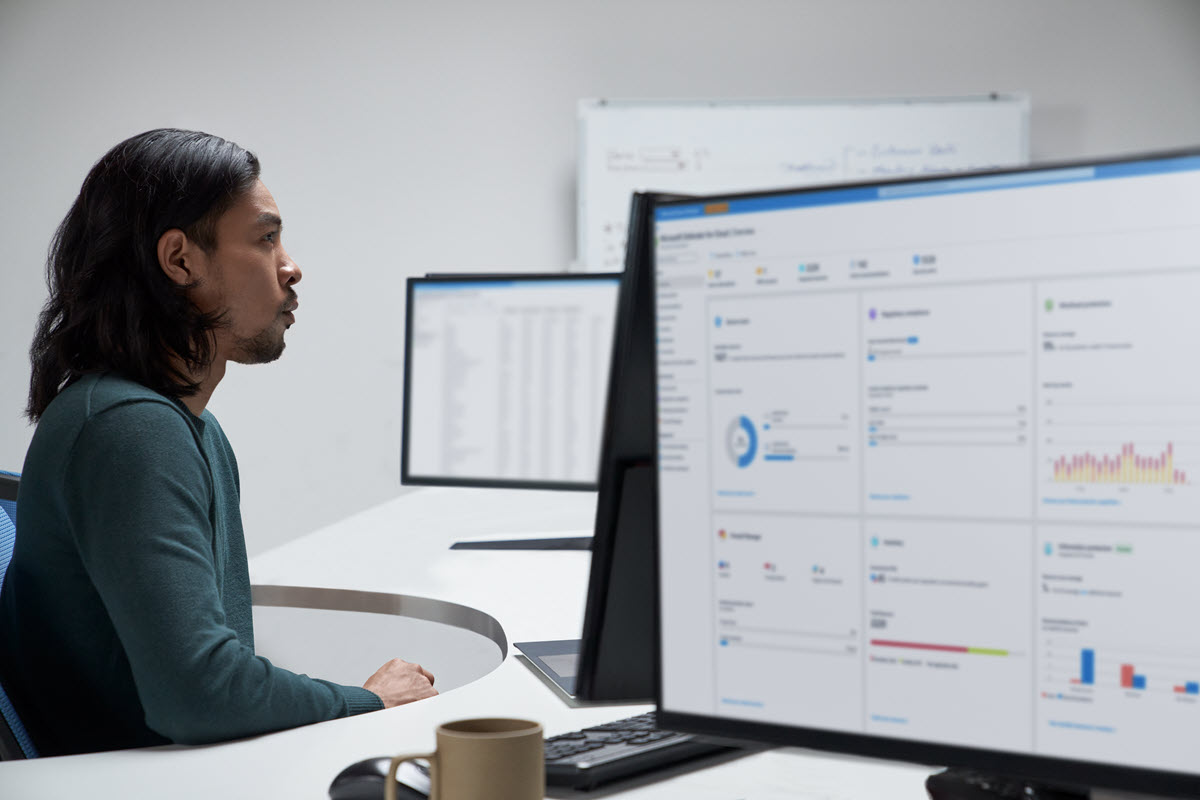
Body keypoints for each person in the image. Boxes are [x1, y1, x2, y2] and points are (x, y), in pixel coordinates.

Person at [0, 129, 437, 757]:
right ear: (180, 261)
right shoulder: (128, 430)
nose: (291, 265)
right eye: (265, 239)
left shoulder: (184, 424)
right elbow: (200, 693)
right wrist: (368, 702)